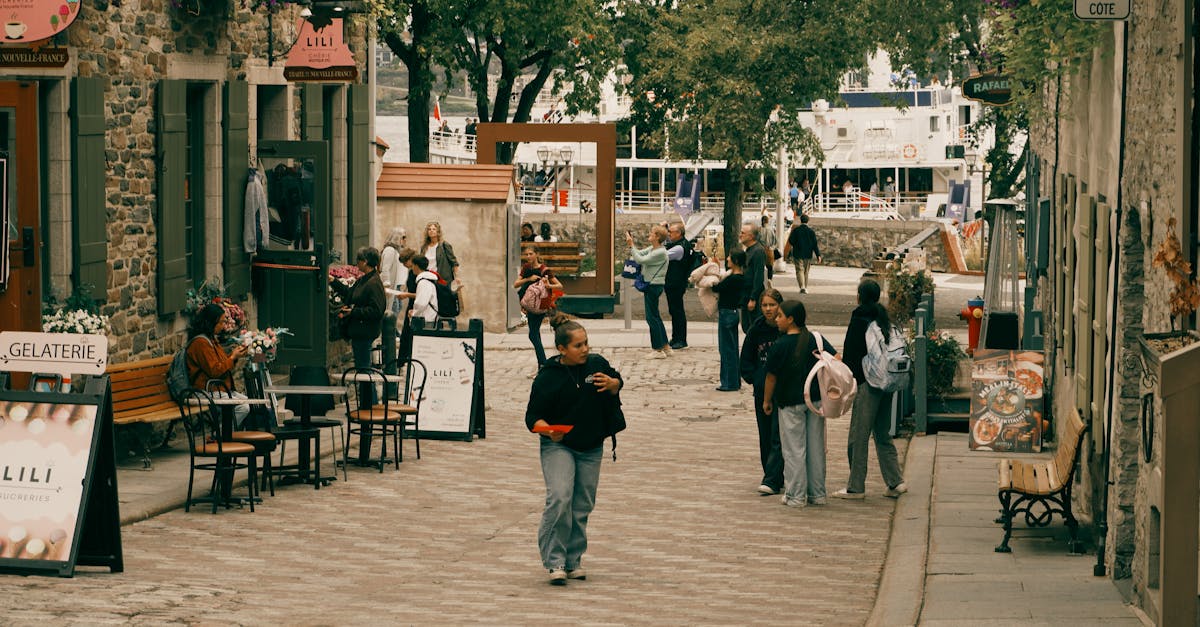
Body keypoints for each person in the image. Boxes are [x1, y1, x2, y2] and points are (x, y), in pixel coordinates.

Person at [525, 316, 623, 586]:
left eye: (586, 343)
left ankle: (573, 560)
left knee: (582, 504)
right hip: (559, 445)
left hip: (591, 445)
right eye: (578, 345)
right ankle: (555, 562)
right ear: (562, 349)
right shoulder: (548, 376)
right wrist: (547, 430)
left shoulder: (597, 365)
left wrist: (614, 385)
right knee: (560, 498)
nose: (585, 349)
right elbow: (533, 417)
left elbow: (617, 381)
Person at [835, 279, 908, 500]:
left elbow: (851, 354)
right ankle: (895, 481)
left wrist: (849, 382)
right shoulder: (884, 317)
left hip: (868, 383)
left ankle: (856, 486)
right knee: (882, 433)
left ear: (859, 296)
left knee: (859, 436)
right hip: (887, 382)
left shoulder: (859, 318)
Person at [762, 300, 837, 508]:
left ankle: (796, 495)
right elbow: (836, 358)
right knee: (816, 448)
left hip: (790, 402)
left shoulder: (780, 345)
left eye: (779, 316)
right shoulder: (815, 339)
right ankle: (817, 494)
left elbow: (771, 378)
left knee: (794, 450)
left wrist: (767, 400)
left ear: (790, 319)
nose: (776, 320)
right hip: (815, 401)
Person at [740, 288, 784, 495]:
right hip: (762, 391)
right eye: (765, 305)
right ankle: (771, 474)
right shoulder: (756, 330)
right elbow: (746, 361)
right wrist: (756, 379)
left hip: (783, 391)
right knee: (766, 435)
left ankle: (773, 479)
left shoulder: (786, 328)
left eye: (772, 305)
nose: (768, 309)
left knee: (779, 435)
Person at [329, 246, 387, 403]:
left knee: (364, 371)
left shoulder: (374, 283)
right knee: (363, 370)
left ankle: (370, 406)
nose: (356, 264)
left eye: (358, 261)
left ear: (365, 262)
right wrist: (333, 281)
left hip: (365, 333)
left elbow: (377, 310)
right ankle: (368, 405)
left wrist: (353, 312)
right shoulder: (365, 279)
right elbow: (349, 294)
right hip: (359, 332)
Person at [185, 303, 250, 426]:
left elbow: (222, 363)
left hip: (218, 389)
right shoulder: (201, 343)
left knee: (250, 403)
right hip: (205, 391)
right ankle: (221, 436)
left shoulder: (212, 339)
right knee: (243, 407)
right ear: (211, 322)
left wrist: (235, 356)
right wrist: (232, 357)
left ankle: (229, 435)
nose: (223, 326)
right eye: (221, 322)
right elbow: (215, 371)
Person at [514, 245, 564, 371]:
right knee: (535, 334)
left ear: (536, 254)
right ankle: (541, 366)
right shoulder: (526, 268)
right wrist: (528, 279)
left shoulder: (544, 270)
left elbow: (559, 286)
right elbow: (515, 284)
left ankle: (543, 365)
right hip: (529, 305)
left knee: (533, 334)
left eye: (531, 254)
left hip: (540, 306)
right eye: (526, 254)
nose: (528, 256)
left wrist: (548, 285)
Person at [626, 225, 671, 358]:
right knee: (655, 316)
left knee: (651, 317)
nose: (649, 234)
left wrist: (631, 245)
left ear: (657, 237)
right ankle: (665, 346)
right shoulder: (654, 249)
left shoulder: (660, 252)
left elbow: (640, 259)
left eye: (652, 233)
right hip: (653, 285)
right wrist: (632, 246)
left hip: (653, 285)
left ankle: (658, 350)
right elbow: (639, 254)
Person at [712, 250, 747, 391]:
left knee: (726, 349)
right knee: (732, 348)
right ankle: (734, 381)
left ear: (736, 261)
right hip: (733, 312)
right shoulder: (739, 278)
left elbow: (717, 287)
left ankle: (729, 382)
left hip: (727, 313)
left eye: (730, 258)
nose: (727, 259)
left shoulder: (733, 279)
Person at [663, 222, 693, 350]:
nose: (669, 234)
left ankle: (680, 339)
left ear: (679, 233)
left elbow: (662, 256)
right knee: (675, 311)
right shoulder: (681, 244)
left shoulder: (679, 248)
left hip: (675, 283)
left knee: (677, 311)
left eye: (671, 232)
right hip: (675, 282)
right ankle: (676, 338)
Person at [738, 223, 768, 332]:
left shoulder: (758, 251)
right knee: (746, 326)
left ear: (751, 236)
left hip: (752, 294)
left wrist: (753, 298)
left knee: (752, 327)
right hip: (746, 294)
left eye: (743, 233)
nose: (740, 235)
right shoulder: (749, 250)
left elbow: (758, 276)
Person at [784, 214, 822, 294]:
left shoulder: (796, 230)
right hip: (808, 254)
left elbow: (791, 241)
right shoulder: (811, 232)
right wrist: (818, 255)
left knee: (799, 270)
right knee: (806, 271)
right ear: (808, 221)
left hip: (798, 253)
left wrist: (796, 245)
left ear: (801, 220)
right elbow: (815, 244)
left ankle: (802, 286)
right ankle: (805, 287)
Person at [379, 227, 409, 318]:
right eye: (403, 237)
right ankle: (392, 331)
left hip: (397, 286)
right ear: (397, 237)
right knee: (393, 310)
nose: (405, 240)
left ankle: (394, 331)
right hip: (391, 286)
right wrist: (386, 284)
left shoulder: (396, 251)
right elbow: (385, 269)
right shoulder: (390, 250)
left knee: (397, 308)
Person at [421, 221, 460, 287]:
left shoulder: (444, 245)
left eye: (434, 229)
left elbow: (454, 263)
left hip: (442, 280)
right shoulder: (424, 247)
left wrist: (457, 277)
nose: (431, 231)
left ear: (438, 232)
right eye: (429, 229)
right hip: (428, 279)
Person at [409, 255, 440, 326]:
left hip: (426, 319)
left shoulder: (424, 282)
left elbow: (421, 303)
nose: (412, 268)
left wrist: (414, 313)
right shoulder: (426, 280)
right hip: (427, 317)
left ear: (416, 266)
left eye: (412, 266)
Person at [759, 214, 778, 280]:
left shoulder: (759, 230)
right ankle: (770, 280)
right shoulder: (771, 230)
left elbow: (756, 240)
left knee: (760, 267)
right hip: (770, 250)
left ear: (762, 221)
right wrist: (772, 247)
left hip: (761, 250)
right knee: (770, 267)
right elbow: (775, 242)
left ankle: (761, 281)